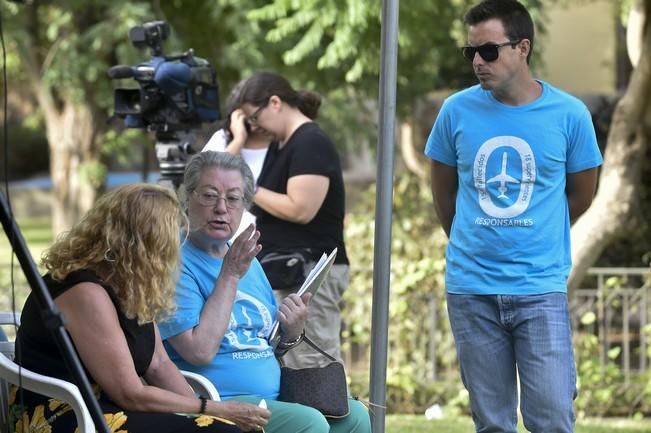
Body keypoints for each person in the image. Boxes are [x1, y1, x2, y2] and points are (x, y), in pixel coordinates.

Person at [424, 1, 603, 432]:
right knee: (492, 423)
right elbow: (443, 196)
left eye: (488, 51)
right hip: (471, 290)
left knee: (553, 418)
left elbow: (580, 196)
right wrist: (473, 239)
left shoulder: (569, 115)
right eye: (471, 53)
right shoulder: (455, 111)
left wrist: (535, 233)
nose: (477, 63)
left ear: (523, 47)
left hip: (539, 288)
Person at [11, 184, 270, 433]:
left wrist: (210, 413)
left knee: (224, 429)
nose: (176, 250)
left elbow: (158, 364)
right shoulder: (84, 291)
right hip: (65, 413)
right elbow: (130, 394)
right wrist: (214, 409)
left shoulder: (126, 282)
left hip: (108, 406)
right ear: (144, 245)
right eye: (171, 241)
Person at [159, 151, 371, 433]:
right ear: (188, 198)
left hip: (272, 396)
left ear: (244, 206)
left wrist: (292, 330)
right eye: (209, 196)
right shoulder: (176, 263)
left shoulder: (249, 261)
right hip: (216, 399)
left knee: (355, 416)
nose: (222, 208)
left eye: (233, 198)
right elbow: (199, 352)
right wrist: (230, 275)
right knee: (310, 424)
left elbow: (264, 341)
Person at [237, 71, 349, 369]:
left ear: (275, 103)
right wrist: (237, 138)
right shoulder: (282, 144)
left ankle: (331, 417)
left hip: (309, 270)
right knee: (293, 361)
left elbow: (301, 209)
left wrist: (250, 188)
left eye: (253, 118)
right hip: (287, 270)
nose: (255, 126)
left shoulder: (310, 141)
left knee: (312, 362)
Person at [203, 78, 273, 238]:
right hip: (225, 243)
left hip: (269, 245)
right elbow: (208, 180)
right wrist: (238, 140)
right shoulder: (222, 139)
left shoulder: (281, 145)